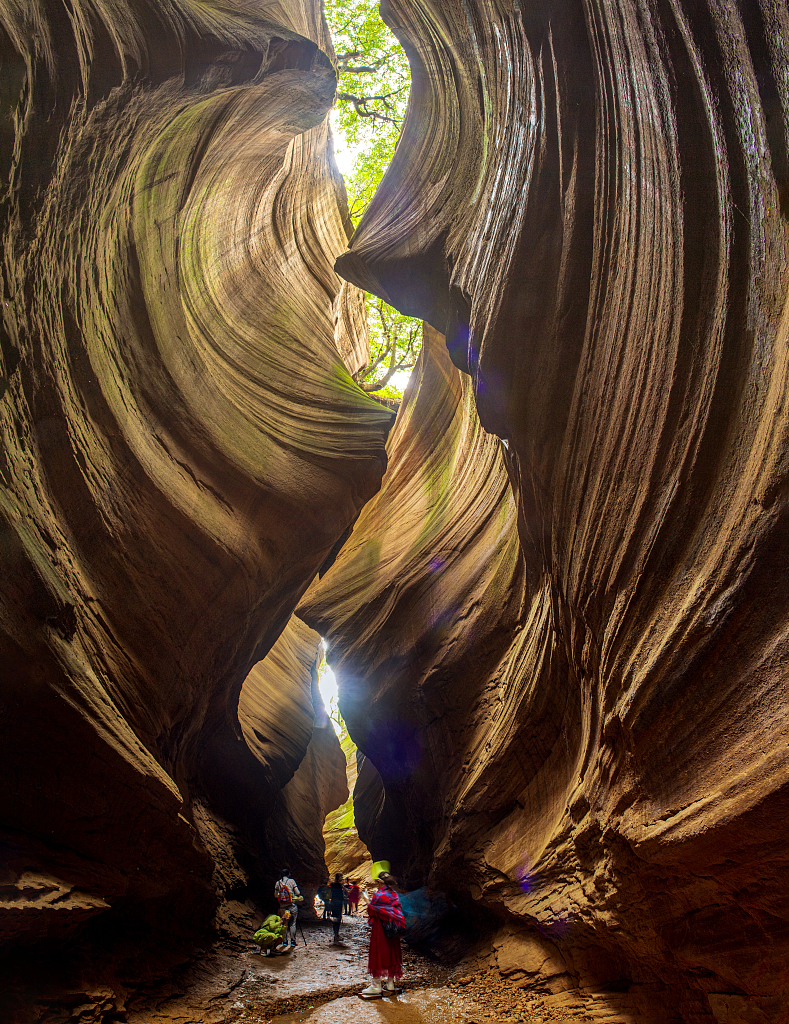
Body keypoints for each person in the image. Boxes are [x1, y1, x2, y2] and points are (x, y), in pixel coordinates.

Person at [359, 870, 405, 999]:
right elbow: (396, 911)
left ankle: (376, 985)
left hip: (381, 927)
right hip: (393, 929)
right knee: (392, 952)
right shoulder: (394, 894)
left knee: (378, 952)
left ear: (380, 882)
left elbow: (372, 910)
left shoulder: (379, 895)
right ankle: (390, 984)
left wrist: (367, 900)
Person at [274, 867, 302, 949]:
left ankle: (284, 941)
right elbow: (298, 892)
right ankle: (293, 942)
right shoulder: (292, 881)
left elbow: (275, 895)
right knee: (292, 924)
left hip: (282, 907)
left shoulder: (278, 883)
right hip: (291, 905)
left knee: (284, 923)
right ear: (288, 874)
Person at [328, 872, 345, 944]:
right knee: (338, 918)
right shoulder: (339, 885)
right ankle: (336, 934)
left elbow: (330, 894)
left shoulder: (332, 884)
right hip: (338, 903)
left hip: (333, 903)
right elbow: (341, 895)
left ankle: (335, 934)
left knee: (335, 919)